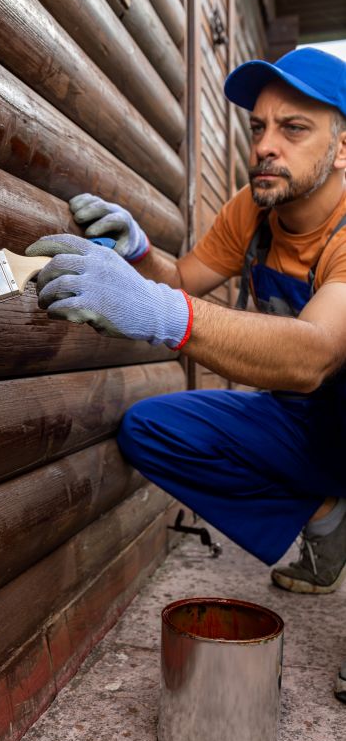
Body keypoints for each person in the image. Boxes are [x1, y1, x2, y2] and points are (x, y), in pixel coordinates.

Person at [26, 47, 346, 702]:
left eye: (293, 129)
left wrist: (156, 311)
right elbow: (181, 282)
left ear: (342, 148)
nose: (265, 146)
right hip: (305, 420)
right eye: (257, 127)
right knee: (151, 430)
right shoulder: (252, 212)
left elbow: (313, 354)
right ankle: (324, 513)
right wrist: (140, 252)